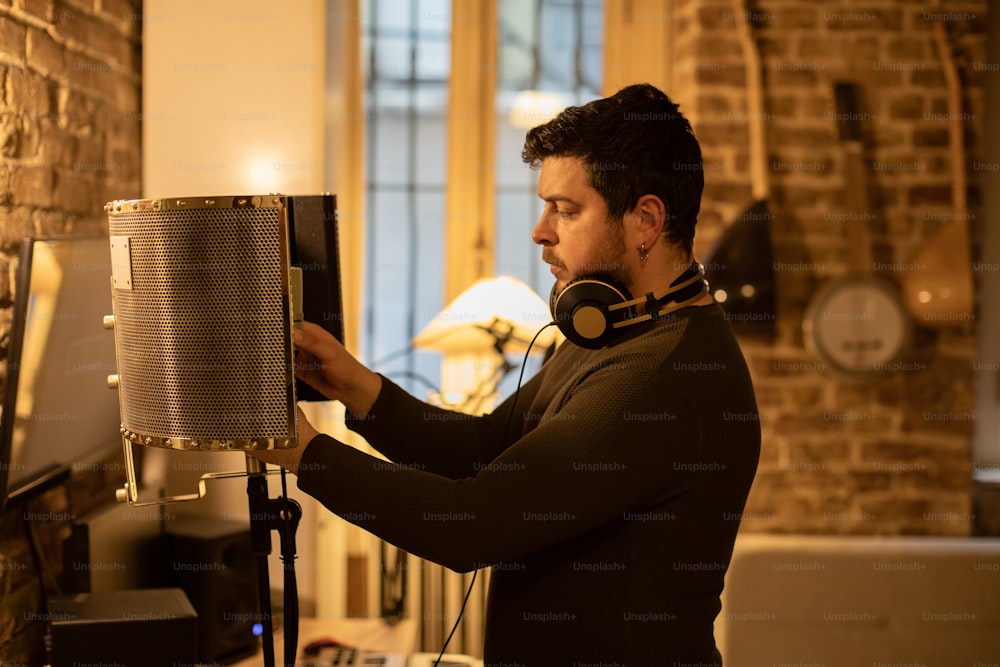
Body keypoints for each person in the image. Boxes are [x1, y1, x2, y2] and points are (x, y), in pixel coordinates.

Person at [252, 83, 760, 666]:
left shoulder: (666, 379)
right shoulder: (616, 325)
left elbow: (473, 524)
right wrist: (356, 386)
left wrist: (303, 452)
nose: (541, 230)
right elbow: (486, 448)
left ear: (645, 220)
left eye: (566, 210)